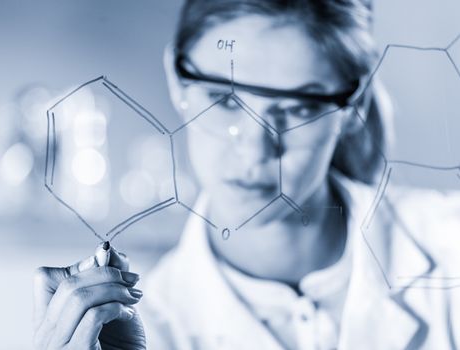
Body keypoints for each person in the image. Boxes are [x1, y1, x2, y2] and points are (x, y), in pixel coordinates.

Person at [33, 0, 460, 349]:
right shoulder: (142, 332)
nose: (255, 151)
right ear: (176, 78)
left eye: (297, 109)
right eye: (225, 101)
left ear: (355, 106)